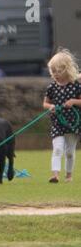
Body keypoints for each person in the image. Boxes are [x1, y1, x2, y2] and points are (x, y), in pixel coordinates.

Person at [43, 49, 81, 183]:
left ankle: (69, 175)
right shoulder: (52, 87)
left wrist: (74, 102)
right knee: (58, 149)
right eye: (53, 72)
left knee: (69, 152)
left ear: (66, 70)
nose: (55, 75)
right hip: (57, 123)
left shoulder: (76, 85)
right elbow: (45, 104)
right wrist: (51, 107)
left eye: (58, 71)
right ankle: (55, 175)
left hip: (72, 123)